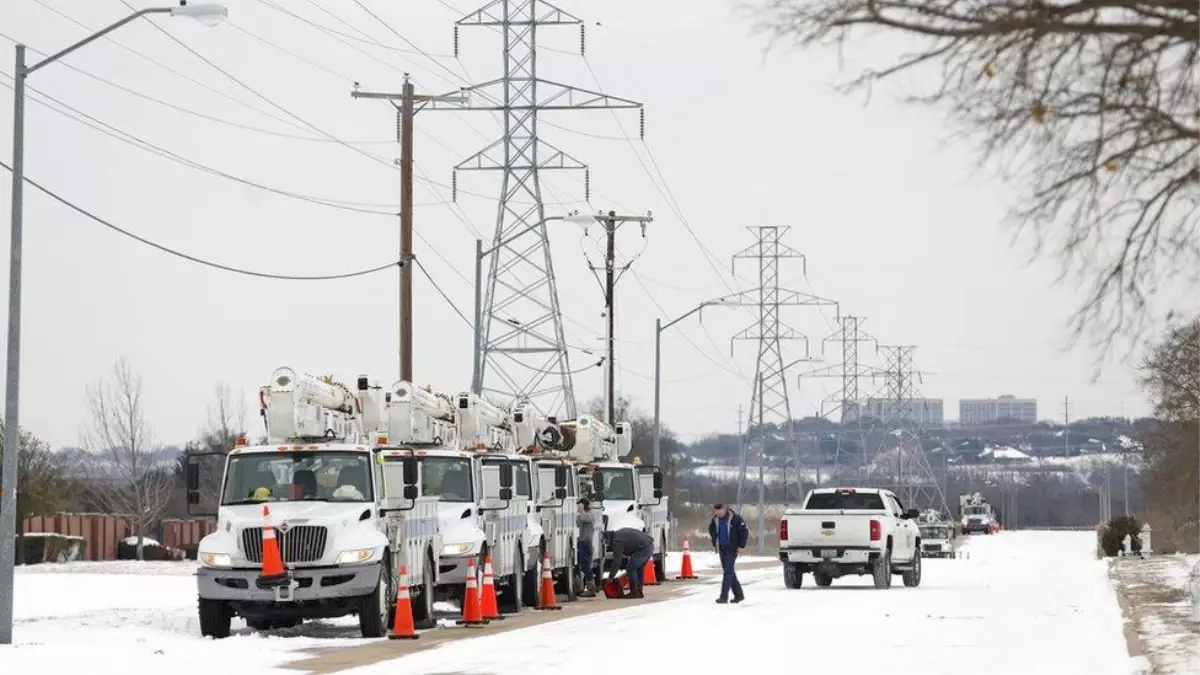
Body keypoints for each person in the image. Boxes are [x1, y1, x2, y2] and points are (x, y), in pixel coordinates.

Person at [708, 503, 749, 604]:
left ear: (725, 509)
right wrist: (714, 541)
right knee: (729, 572)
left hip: (732, 548)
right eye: (716, 511)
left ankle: (723, 597)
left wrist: (741, 544)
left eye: (720, 510)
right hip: (722, 548)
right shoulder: (715, 520)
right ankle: (739, 595)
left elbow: (744, 531)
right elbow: (712, 530)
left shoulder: (735, 518)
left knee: (727, 572)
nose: (718, 513)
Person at [606, 526, 654, 599]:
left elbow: (617, 561)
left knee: (630, 568)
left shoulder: (617, 541)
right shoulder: (619, 533)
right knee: (639, 567)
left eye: (606, 542)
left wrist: (611, 577)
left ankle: (634, 592)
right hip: (649, 546)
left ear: (609, 538)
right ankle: (639, 591)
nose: (607, 544)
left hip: (643, 548)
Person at [576, 498, 597, 597]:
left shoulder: (589, 515)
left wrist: (581, 510)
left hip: (586, 543)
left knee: (586, 566)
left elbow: (585, 519)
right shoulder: (581, 515)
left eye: (580, 505)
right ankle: (580, 587)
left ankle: (591, 588)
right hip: (580, 543)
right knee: (580, 566)